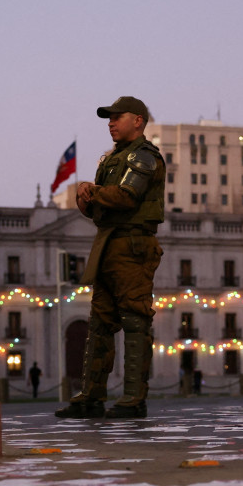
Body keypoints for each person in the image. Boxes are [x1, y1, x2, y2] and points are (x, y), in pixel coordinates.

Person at [55, 96, 165, 420]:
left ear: (139, 121)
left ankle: (133, 397)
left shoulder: (144, 155)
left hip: (132, 245)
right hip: (107, 243)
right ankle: (91, 396)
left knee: (134, 319)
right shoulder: (112, 159)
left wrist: (91, 189)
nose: (110, 123)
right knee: (100, 323)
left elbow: (127, 196)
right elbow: (98, 206)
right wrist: (84, 198)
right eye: (109, 118)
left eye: (118, 117)